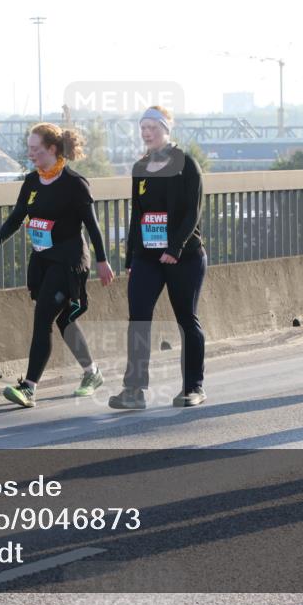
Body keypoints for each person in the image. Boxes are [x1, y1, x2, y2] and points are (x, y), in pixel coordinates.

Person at [0, 123, 115, 408]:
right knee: (64, 320)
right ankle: (92, 372)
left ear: (52, 149)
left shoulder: (74, 183)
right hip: (42, 260)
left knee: (43, 317)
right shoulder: (32, 181)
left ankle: (29, 388)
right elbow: (17, 216)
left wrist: (103, 261)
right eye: (29, 149)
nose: (30, 154)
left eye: (36, 149)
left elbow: (92, 226)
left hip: (68, 262)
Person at [108, 106, 206, 410]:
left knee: (186, 319)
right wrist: (130, 257)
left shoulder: (186, 163)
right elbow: (137, 214)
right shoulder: (141, 166)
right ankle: (134, 390)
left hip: (184, 256)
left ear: (166, 129)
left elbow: (193, 212)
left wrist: (175, 248)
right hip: (147, 257)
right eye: (143, 127)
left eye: (152, 127)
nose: (146, 133)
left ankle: (193, 387)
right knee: (138, 319)